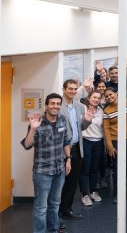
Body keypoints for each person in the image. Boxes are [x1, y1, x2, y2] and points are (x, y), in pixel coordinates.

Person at [21, 93, 71, 233]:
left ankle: (53, 230)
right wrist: (32, 129)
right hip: (42, 173)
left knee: (55, 204)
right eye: (52, 103)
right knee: (41, 208)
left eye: (58, 104)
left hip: (59, 170)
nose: (55, 106)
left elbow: (66, 141)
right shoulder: (37, 122)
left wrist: (68, 159)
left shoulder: (62, 119)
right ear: (47, 105)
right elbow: (27, 145)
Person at [59, 79, 90, 221]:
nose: (72, 91)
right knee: (59, 183)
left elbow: (80, 128)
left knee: (72, 183)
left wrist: (87, 121)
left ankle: (67, 210)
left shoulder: (79, 106)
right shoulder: (57, 106)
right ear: (64, 89)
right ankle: (56, 213)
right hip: (61, 150)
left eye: (75, 89)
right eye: (70, 88)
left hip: (77, 148)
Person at [103, 87, 127, 202]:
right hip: (115, 142)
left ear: (116, 93)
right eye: (107, 96)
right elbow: (106, 129)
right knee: (117, 168)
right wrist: (109, 145)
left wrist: (125, 101)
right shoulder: (107, 110)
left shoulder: (125, 103)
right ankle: (117, 193)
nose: (109, 97)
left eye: (110, 94)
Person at [78, 90, 104, 206]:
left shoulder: (101, 111)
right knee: (85, 169)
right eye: (94, 97)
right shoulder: (82, 108)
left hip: (98, 142)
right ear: (89, 98)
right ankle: (85, 194)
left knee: (95, 168)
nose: (96, 100)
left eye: (98, 98)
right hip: (86, 141)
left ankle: (93, 191)